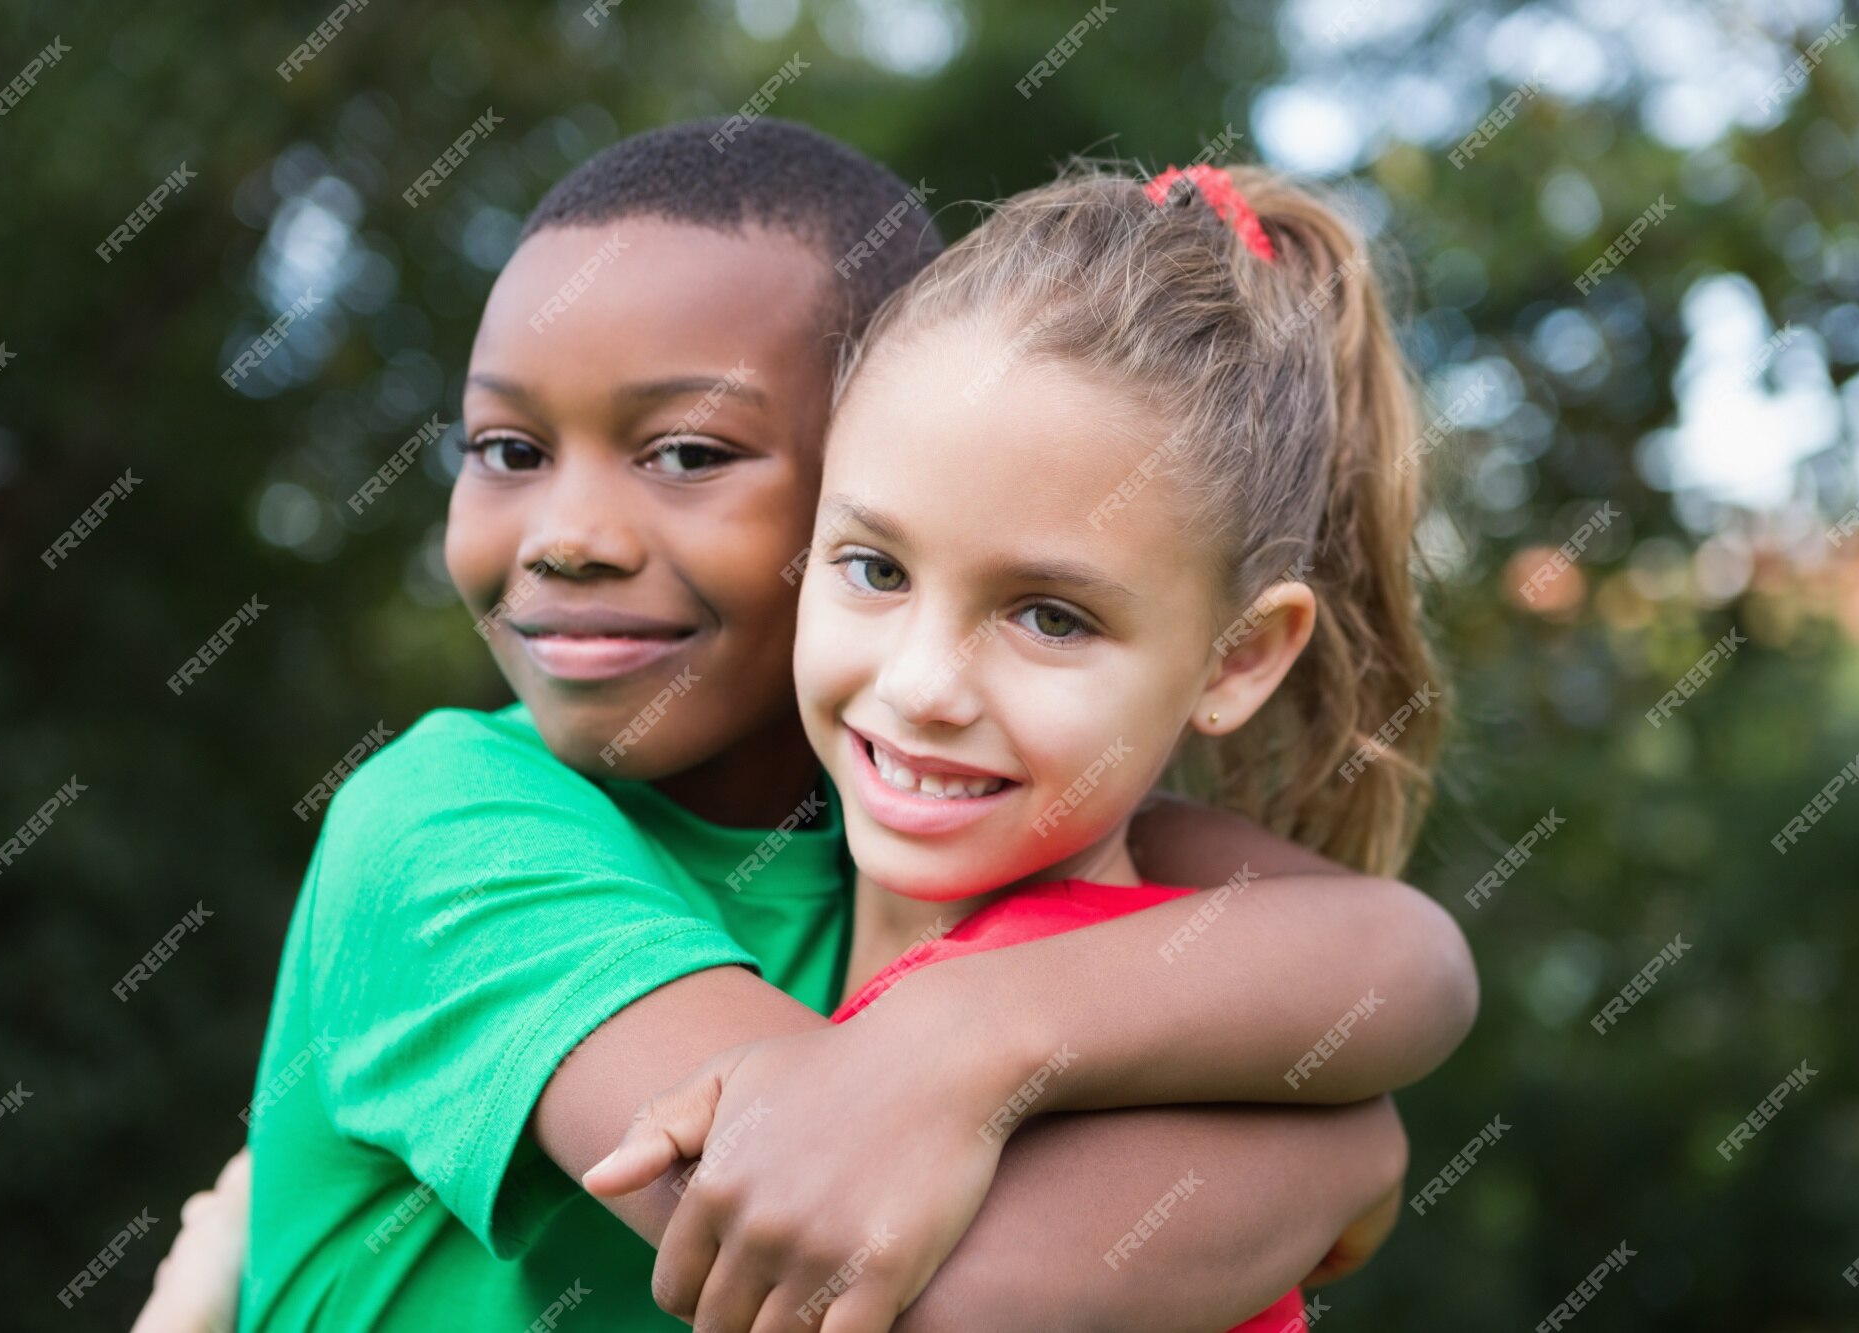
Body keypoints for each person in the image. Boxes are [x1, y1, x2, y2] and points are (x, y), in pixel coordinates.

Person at [137, 121, 1474, 1333]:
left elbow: (1402, 961)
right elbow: (873, 1289)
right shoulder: (443, 826)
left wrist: (972, 1037)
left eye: (689, 454)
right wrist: (1350, 1154)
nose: (571, 539)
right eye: (506, 448)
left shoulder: (939, 827)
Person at [583, 161, 1448, 1332]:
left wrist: (959, 1038)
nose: (922, 684)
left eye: (1051, 615)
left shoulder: (1183, 972)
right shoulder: (734, 864)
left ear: (1238, 659)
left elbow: (1417, 961)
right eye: (874, 569)